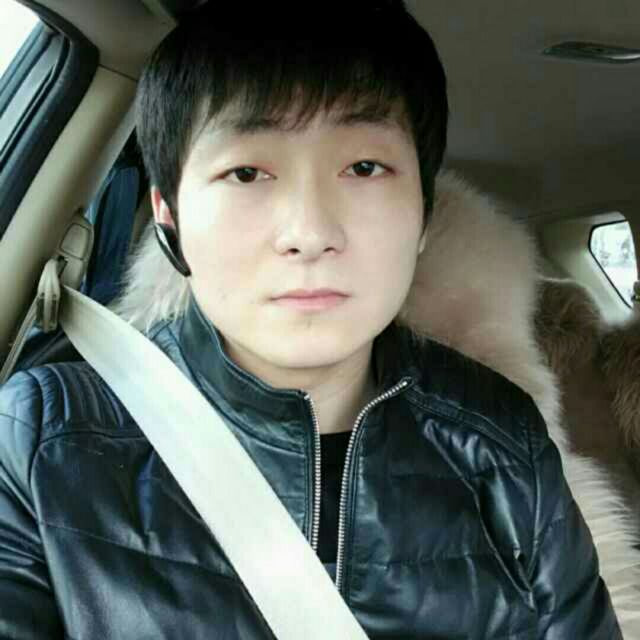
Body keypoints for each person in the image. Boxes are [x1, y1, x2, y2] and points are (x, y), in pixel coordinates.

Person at [0, 1, 623, 638]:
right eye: (247, 172)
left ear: (423, 216)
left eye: (364, 168)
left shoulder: (508, 444)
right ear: (169, 218)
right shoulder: (37, 442)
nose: (309, 232)